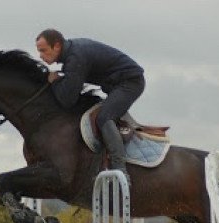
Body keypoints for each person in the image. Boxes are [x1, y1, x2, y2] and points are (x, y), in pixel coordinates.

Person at [35, 29, 145, 186]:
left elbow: (67, 100)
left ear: (57, 46)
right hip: (116, 84)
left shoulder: (75, 57)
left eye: (43, 50)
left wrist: (55, 81)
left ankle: (121, 171)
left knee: (104, 117)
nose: (41, 56)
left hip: (130, 83)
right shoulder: (71, 55)